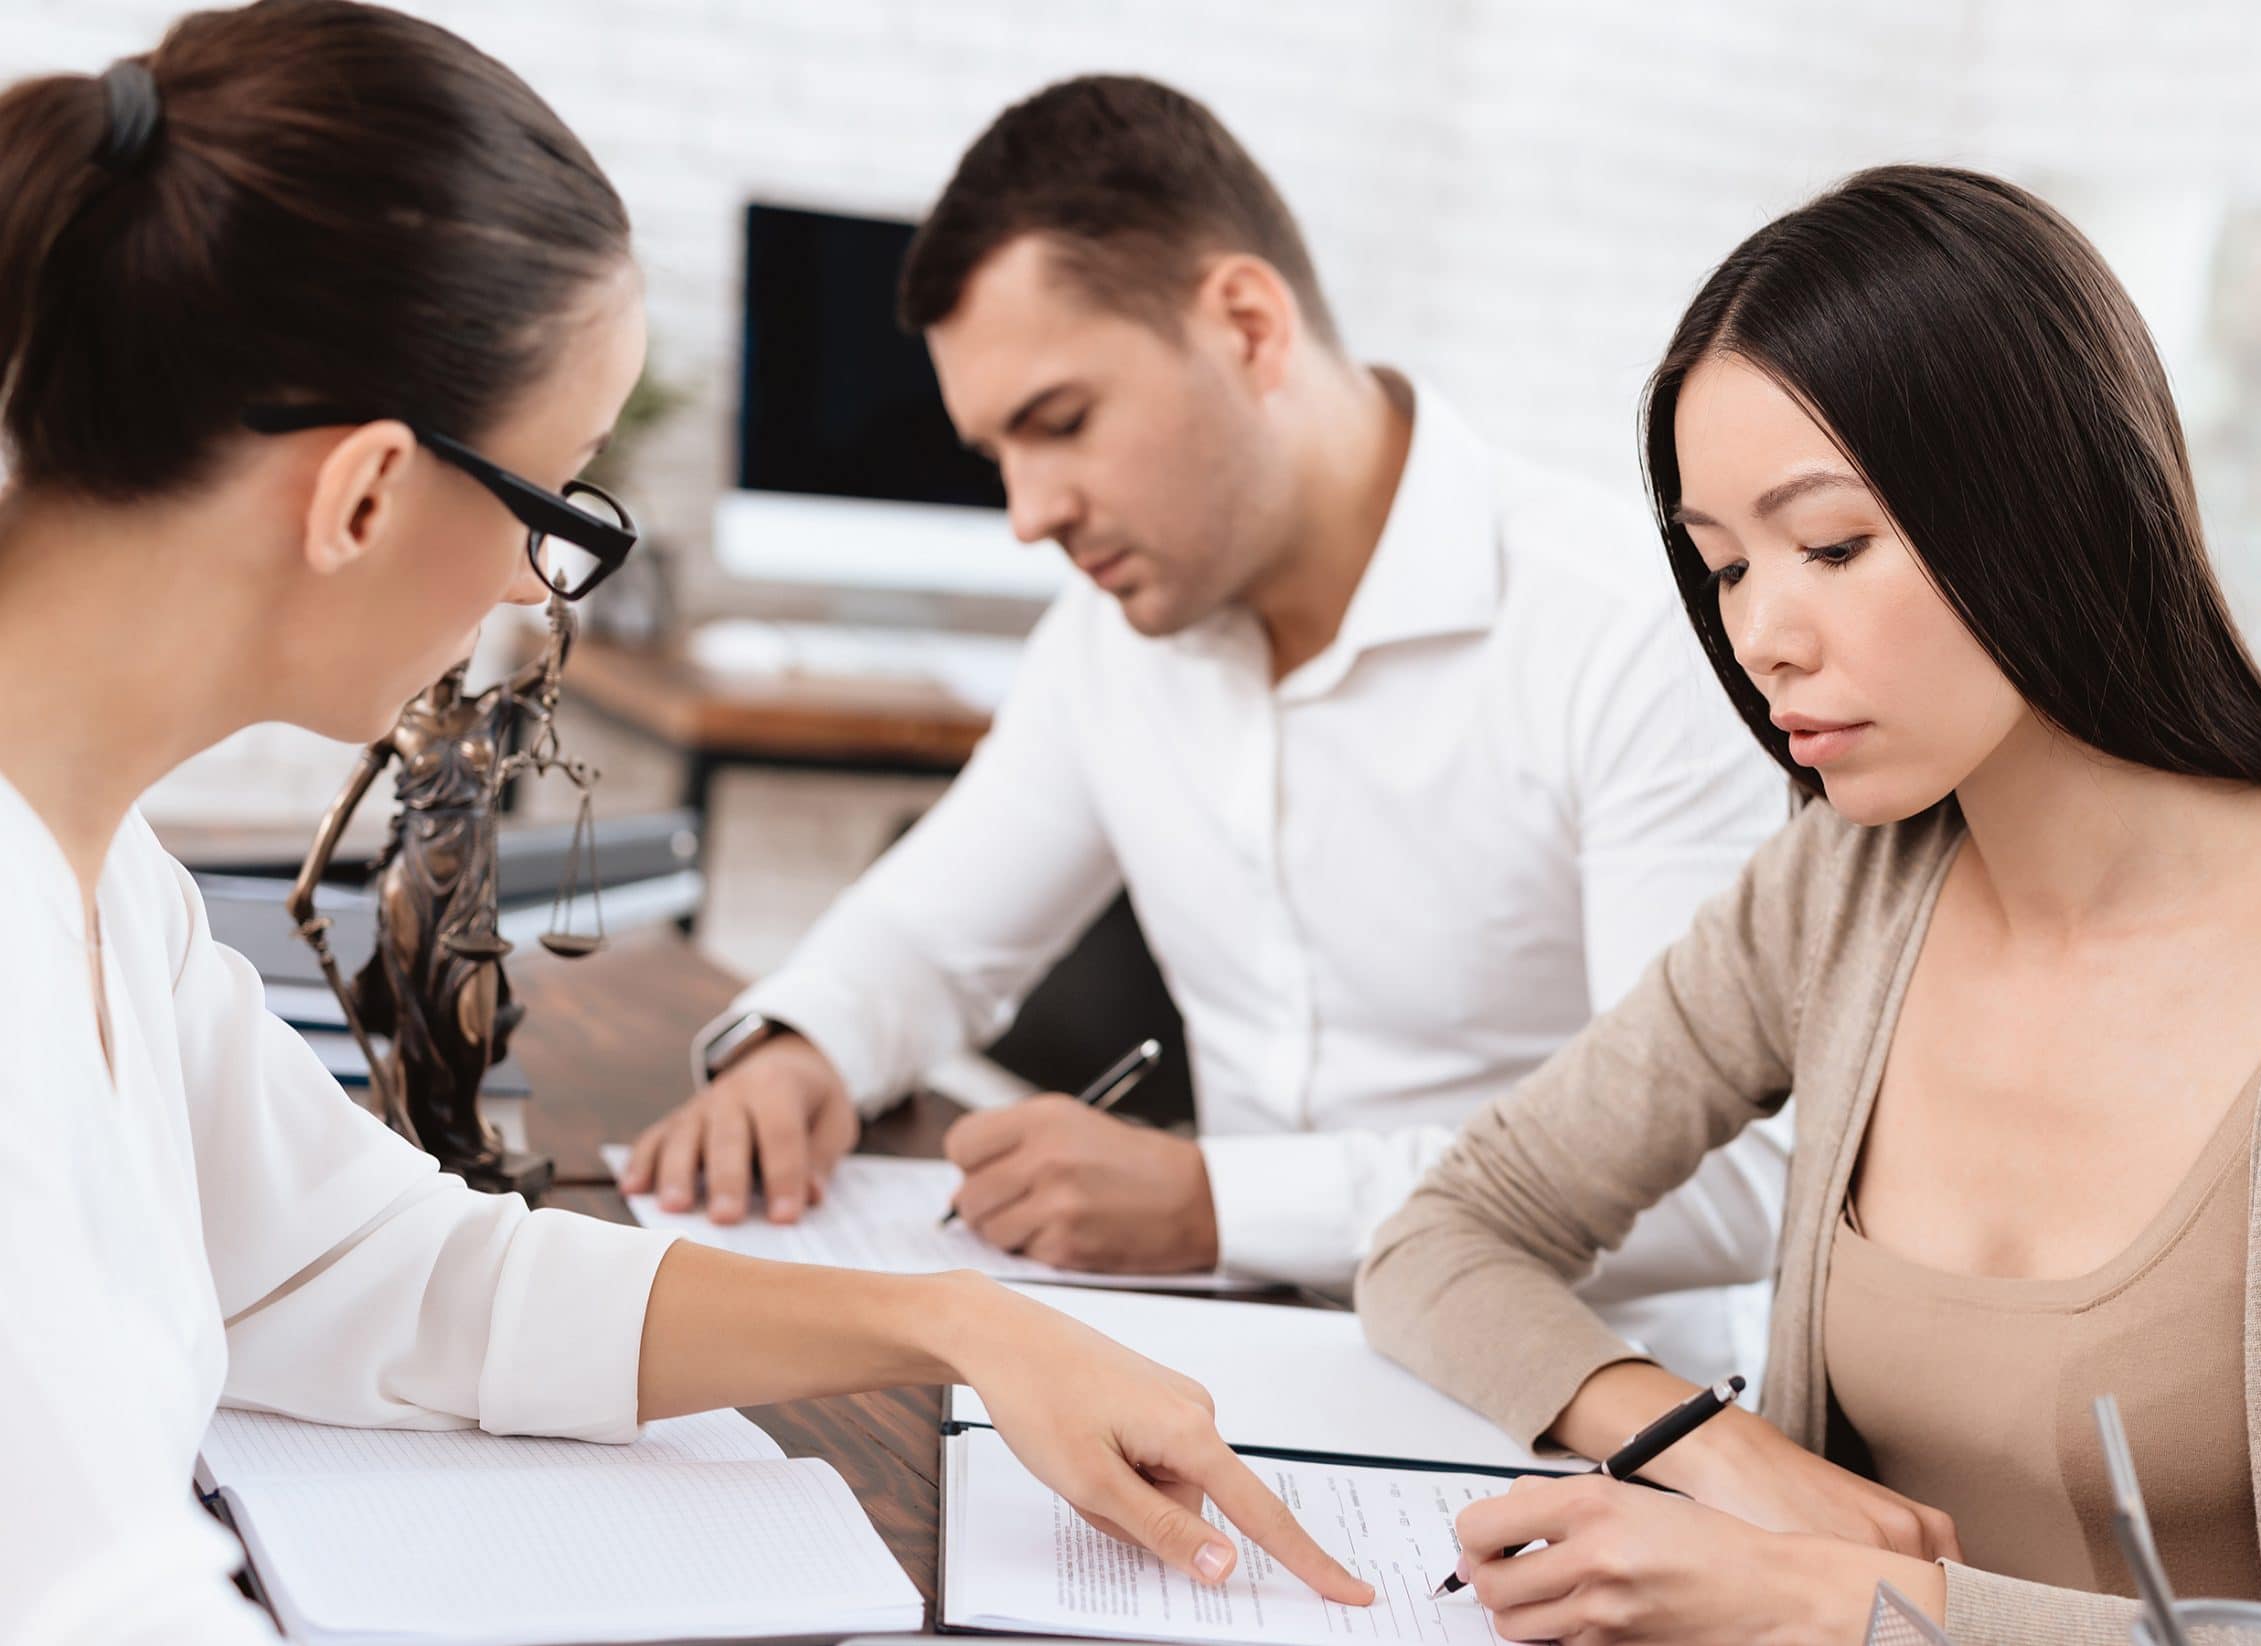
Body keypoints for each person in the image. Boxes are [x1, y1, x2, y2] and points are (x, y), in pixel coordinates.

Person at [0, 8, 1371, 1640]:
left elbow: (394, 1274)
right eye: (556, 501)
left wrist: (959, 1323)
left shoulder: (110, 885)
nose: (538, 583)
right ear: (364, 494)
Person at [1356, 165, 2261, 1645]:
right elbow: (1445, 1236)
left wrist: (1837, 1601)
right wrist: (1703, 1445)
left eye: (1833, 546)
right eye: (1724, 566)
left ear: (2045, 502)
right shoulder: (1844, 887)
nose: (1761, 638)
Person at [618, 75, 1792, 1383]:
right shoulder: (1115, 638)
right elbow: (929, 935)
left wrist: (1216, 1202)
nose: (1027, 512)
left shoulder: (1632, 634)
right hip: (1237, 1359)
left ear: (1246, 324)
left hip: (1583, 1413)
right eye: (995, 451)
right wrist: (801, 1047)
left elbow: (1731, 1173)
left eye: (1060, 424)